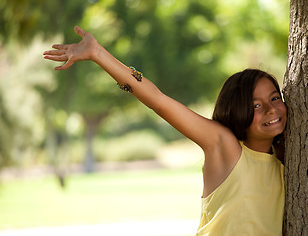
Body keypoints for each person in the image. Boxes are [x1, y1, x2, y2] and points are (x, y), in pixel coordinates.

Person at [43, 26, 287, 235]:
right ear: (237, 110)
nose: (270, 109)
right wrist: (98, 53)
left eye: (275, 98)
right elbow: (157, 99)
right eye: (256, 105)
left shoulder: (285, 163)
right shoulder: (225, 146)